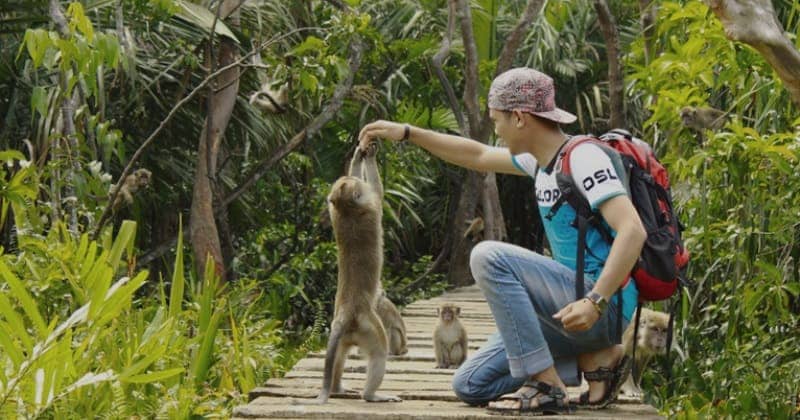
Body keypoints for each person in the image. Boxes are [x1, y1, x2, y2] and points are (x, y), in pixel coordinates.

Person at [357, 67, 644, 415]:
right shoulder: (540, 162)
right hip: (567, 310)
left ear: (520, 117)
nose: (495, 128)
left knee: (488, 255)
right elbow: (476, 155)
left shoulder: (583, 158)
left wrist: (595, 301)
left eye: (497, 120)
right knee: (470, 384)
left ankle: (545, 383)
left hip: (603, 305)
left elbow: (633, 230)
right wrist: (406, 133)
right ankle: (592, 358)